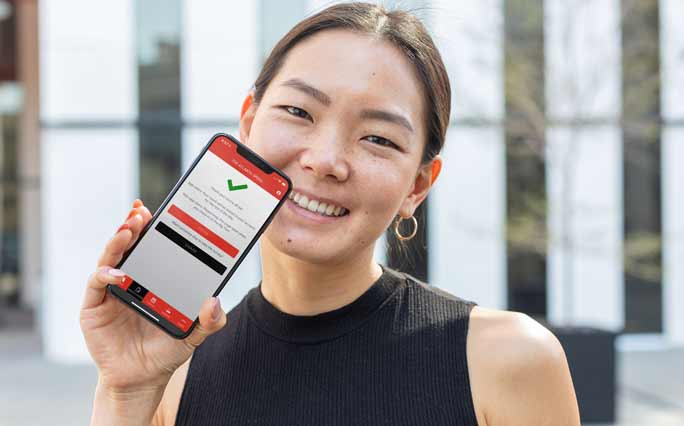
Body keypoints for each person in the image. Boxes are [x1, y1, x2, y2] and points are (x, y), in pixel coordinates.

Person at [81, 3, 580, 425]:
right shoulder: (174, 375)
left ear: (418, 186)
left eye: (378, 139)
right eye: (299, 112)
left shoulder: (509, 360)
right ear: (249, 124)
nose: (325, 160)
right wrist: (124, 392)